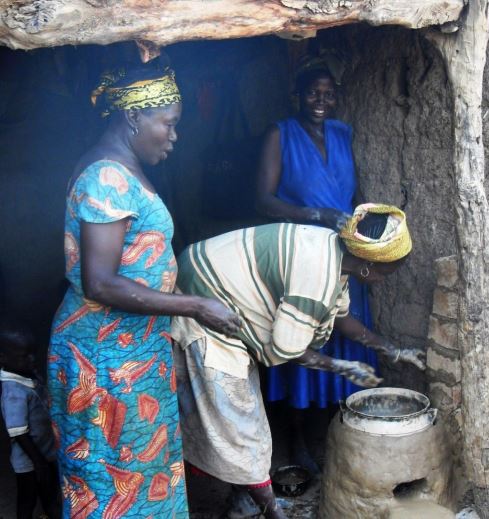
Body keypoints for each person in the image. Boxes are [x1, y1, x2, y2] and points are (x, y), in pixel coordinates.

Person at [47, 60, 241, 518]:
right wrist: (195, 306)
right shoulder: (106, 177)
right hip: (104, 361)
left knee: (141, 471)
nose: (174, 137)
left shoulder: (122, 168)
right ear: (133, 117)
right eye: (168, 124)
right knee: (110, 476)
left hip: (131, 353)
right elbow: (100, 281)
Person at [171, 205, 424, 519]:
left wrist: (392, 349)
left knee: (233, 421)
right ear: (368, 267)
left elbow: (342, 320)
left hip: (214, 287)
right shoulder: (315, 278)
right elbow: (291, 349)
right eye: (389, 271)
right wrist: (343, 367)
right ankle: (270, 511)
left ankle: (242, 494)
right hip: (204, 305)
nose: (388, 279)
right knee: (244, 431)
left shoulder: (336, 254)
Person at [255, 55, 378, 472]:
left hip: (343, 255)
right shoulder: (280, 134)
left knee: (344, 336)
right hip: (301, 253)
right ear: (297, 96)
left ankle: (334, 434)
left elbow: (355, 194)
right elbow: (264, 201)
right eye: (312, 92)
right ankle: (297, 441)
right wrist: (317, 215)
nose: (321, 100)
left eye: (328, 93)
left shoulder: (344, 133)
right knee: (303, 341)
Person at [0, 318, 61, 519]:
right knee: (28, 497)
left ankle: (49, 514)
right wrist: (39, 462)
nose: (31, 359)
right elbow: (18, 432)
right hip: (29, 459)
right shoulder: (13, 391)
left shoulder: (27, 375)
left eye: (32, 353)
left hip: (45, 452)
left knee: (49, 492)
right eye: (23, 356)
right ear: (3, 358)